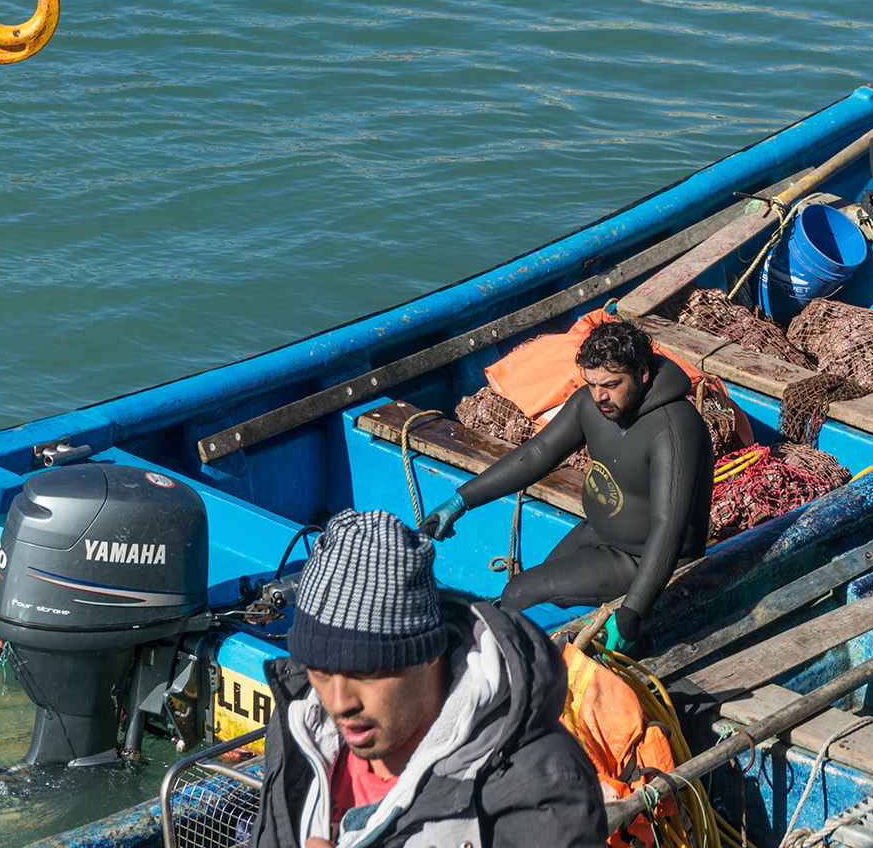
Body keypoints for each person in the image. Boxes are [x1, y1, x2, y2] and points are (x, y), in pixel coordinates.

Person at [251, 509, 605, 848]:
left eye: (368, 672)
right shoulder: (299, 723)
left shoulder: (541, 790)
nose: (339, 703)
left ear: (428, 654)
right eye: (321, 671)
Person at [419, 318, 714, 655]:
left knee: (519, 593)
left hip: (644, 556)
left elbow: (668, 528)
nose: (600, 396)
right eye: (591, 384)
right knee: (527, 594)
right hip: (597, 532)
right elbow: (537, 454)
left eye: (611, 384)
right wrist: (461, 501)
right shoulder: (592, 404)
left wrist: (632, 613)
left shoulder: (673, 429)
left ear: (643, 374)